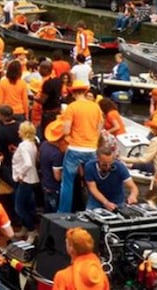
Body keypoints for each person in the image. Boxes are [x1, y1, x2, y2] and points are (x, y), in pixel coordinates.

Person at [58, 80, 102, 213]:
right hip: (92, 148)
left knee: (67, 183)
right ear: (85, 91)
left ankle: (63, 212)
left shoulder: (72, 107)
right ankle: (93, 210)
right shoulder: (95, 107)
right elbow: (99, 128)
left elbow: (66, 130)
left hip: (75, 148)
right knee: (92, 182)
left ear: (73, 92)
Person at [83, 145, 139, 210]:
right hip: (96, 201)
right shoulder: (90, 166)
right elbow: (92, 188)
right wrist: (106, 202)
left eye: (110, 163)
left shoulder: (120, 167)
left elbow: (133, 187)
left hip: (117, 201)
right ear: (97, 159)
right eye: (104, 165)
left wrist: (133, 195)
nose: (108, 166)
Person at [12, 122, 39, 243]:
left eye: (19, 130)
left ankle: (31, 230)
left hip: (25, 180)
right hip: (31, 179)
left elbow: (27, 163)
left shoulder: (23, 145)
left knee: (19, 208)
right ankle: (25, 228)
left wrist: (20, 174)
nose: (18, 131)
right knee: (28, 206)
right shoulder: (32, 144)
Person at [39, 119, 65, 213]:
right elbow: (57, 176)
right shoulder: (57, 154)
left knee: (48, 213)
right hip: (54, 188)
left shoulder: (44, 145)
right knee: (54, 214)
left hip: (46, 184)